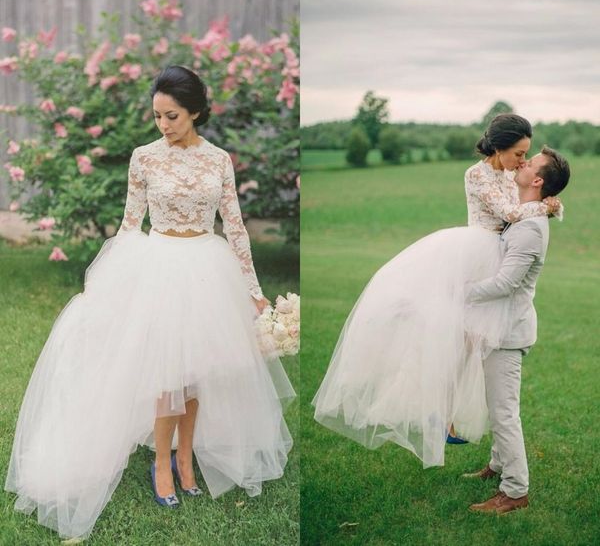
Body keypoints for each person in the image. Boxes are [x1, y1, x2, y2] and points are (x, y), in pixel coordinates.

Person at [5, 65, 295, 540]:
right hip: (157, 263)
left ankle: (186, 457)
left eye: (173, 116)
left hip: (207, 264)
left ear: (196, 111)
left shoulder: (219, 160)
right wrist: (107, 279)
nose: (164, 125)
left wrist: (253, 288)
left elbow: (235, 226)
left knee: (198, 372)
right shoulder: (143, 158)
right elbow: (128, 223)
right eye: (158, 116)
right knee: (167, 376)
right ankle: (162, 463)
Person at [312, 114, 561, 468]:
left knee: (477, 344)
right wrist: (546, 204)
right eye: (519, 153)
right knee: (447, 335)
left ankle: (451, 418)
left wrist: (547, 202)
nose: (523, 160)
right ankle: (438, 412)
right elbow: (508, 211)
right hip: (477, 250)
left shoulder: (511, 173)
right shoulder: (476, 174)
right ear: (499, 147)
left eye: (526, 155)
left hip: (499, 253)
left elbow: (519, 210)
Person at [464, 147, 570, 514]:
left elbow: (505, 283)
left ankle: (515, 491)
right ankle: (497, 465)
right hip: (499, 325)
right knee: (499, 405)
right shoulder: (522, 215)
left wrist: (460, 293)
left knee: (504, 411)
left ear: (538, 181)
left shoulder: (528, 229)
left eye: (530, 163)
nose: (522, 163)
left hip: (508, 333)